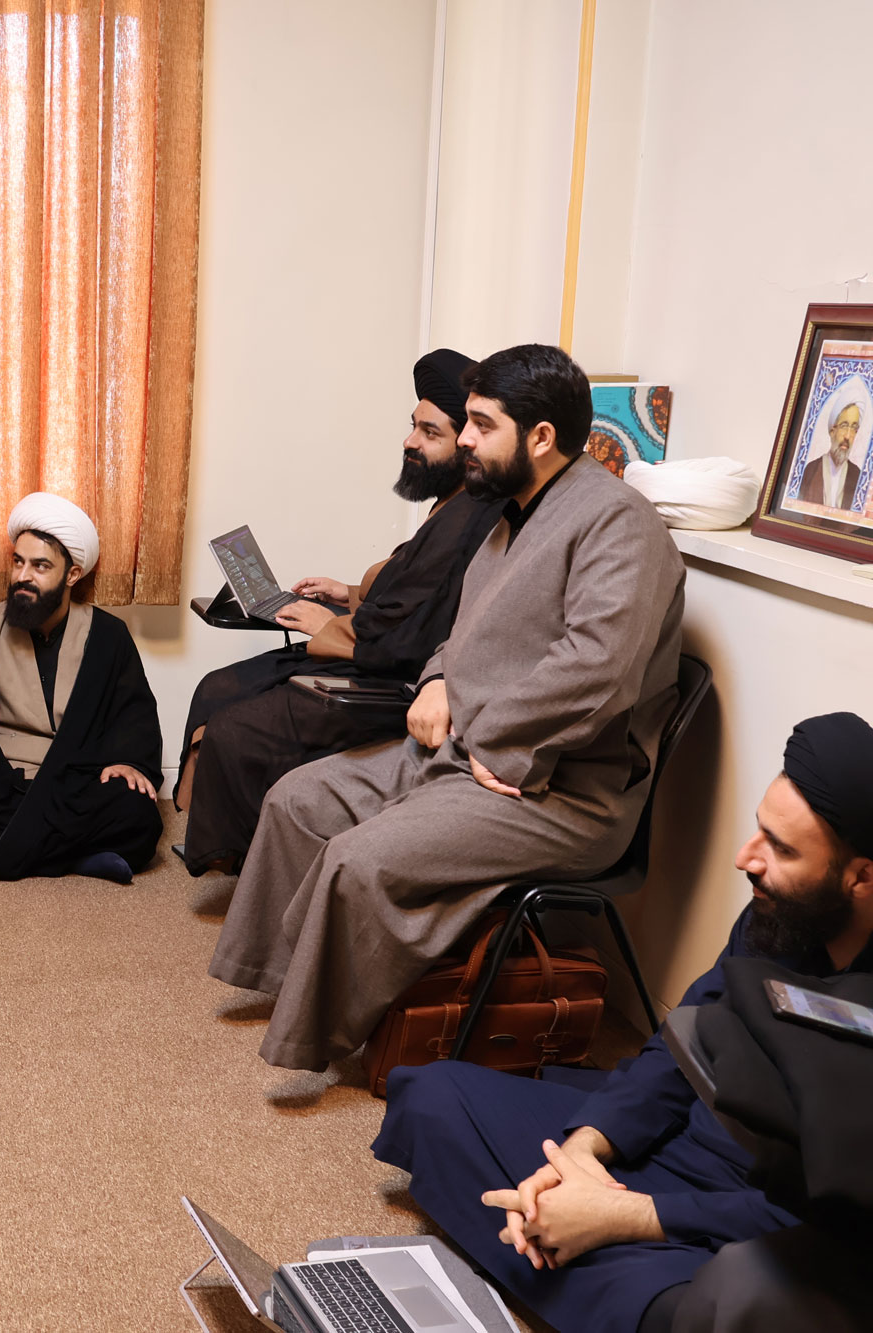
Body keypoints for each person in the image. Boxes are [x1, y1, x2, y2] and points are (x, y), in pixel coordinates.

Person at [210, 343, 686, 1070]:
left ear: (541, 437)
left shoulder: (620, 524)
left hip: (557, 789)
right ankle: (277, 976)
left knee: (358, 858)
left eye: (481, 425)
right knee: (299, 800)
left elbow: (598, 671)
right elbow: (458, 636)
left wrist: (492, 739)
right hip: (464, 747)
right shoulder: (510, 515)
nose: (464, 439)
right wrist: (437, 681)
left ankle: (312, 1031)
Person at [372, 713, 873, 1333]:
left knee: (719, 1301)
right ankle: (566, 1232)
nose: (746, 858)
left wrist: (629, 1216)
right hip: (673, 1139)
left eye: (783, 849)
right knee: (434, 1095)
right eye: (759, 831)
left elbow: (842, 1219)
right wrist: (583, 1153)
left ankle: (573, 1243)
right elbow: (678, 1048)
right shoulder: (778, 918)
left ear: (861, 876)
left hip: (759, 1203)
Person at [173, 349, 501, 875]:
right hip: (361, 639)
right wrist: (346, 593)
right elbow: (407, 591)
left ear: (467, 445)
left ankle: (240, 854)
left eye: (429, 433)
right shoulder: (450, 502)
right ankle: (216, 835)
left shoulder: (474, 518)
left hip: (386, 676)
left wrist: (328, 624)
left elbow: (418, 632)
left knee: (237, 725)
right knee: (218, 685)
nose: (410, 442)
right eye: (413, 426)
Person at [0, 493, 164, 883]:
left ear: (72, 575)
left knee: (138, 813)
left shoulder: (108, 635)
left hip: (76, 780)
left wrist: (129, 761)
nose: (22, 576)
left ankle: (14, 848)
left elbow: (133, 712)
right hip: (0, 780)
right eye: (18, 562)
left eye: (40, 566)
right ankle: (80, 856)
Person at [795, 382, 867, 509]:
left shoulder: (857, 476)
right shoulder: (811, 470)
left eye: (854, 428)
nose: (848, 436)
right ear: (832, 430)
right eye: (844, 426)